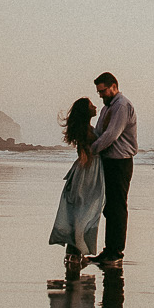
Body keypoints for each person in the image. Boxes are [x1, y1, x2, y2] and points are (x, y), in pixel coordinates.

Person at [48, 98, 105, 270]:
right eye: (91, 106)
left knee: (80, 213)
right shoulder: (85, 131)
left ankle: (74, 252)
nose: (95, 107)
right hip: (87, 174)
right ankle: (74, 253)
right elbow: (88, 154)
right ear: (85, 111)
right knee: (82, 213)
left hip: (86, 172)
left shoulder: (85, 129)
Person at [88, 71, 136, 266]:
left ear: (114, 87)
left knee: (117, 207)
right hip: (109, 161)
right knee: (110, 207)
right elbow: (100, 133)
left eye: (103, 91)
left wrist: (91, 151)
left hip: (120, 162)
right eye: (99, 92)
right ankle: (109, 250)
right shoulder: (107, 108)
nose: (101, 95)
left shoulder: (121, 106)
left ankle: (116, 252)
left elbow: (110, 135)